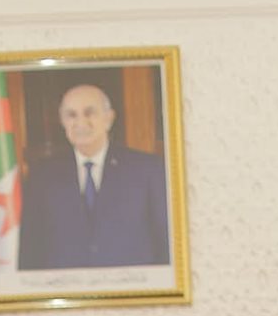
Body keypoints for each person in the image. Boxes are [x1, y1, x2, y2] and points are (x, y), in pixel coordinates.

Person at [17, 82, 170, 271]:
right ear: (63, 122)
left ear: (109, 119)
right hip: (66, 285)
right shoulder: (42, 176)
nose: (80, 122)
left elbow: (166, 242)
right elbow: (31, 248)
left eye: (89, 113)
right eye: (71, 115)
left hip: (130, 285)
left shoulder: (147, 169)